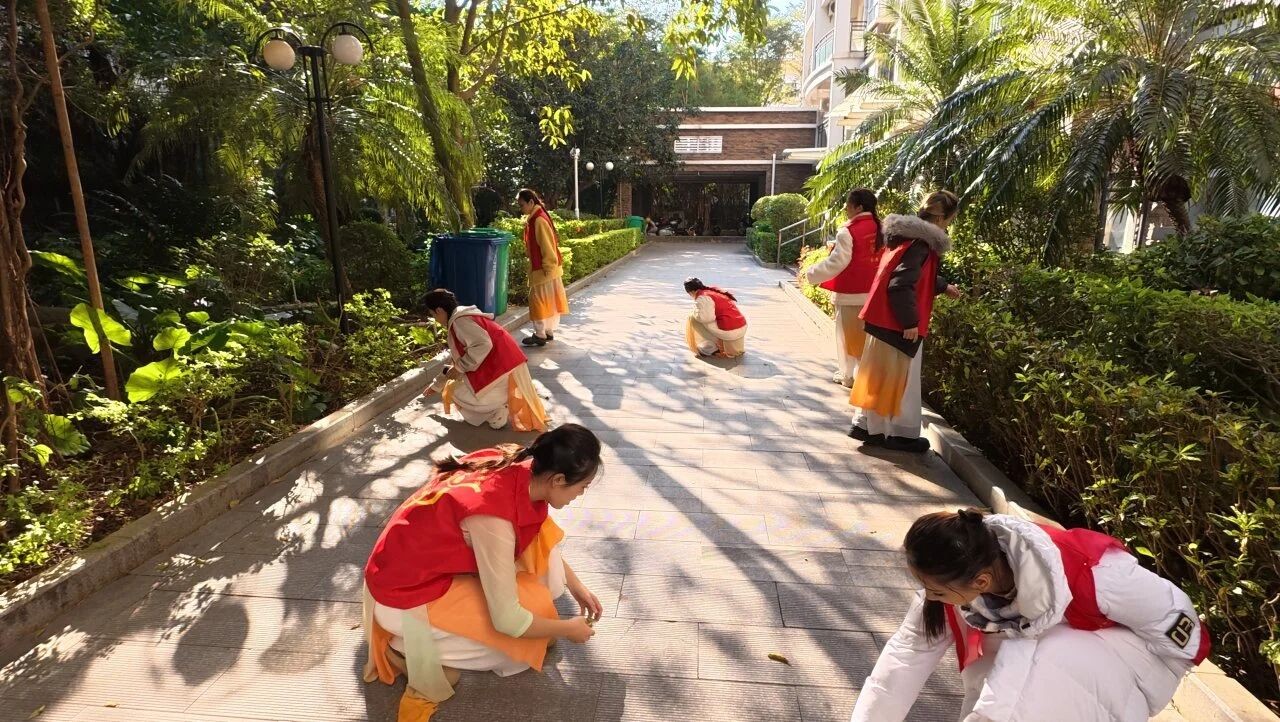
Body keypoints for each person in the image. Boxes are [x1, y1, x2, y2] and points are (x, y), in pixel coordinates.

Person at [851, 509, 1210, 722]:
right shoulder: (956, 578)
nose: (929, 597)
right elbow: (904, 658)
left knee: (1035, 659)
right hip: (1038, 666)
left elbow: (1177, 619)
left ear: (982, 581)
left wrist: (1145, 687)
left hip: (1126, 660)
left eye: (937, 591)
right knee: (1005, 677)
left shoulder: (1092, 572)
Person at [362, 425, 605, 721]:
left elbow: (541, 538)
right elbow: (508, 620)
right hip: (405, 597)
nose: (581, 494)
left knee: (539, 631)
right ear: (558, 480)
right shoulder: (493, 518)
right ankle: (400, 647)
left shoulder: (515, 461)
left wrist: (578, 588)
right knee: (521, 651)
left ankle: (433, 643)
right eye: (583, 486)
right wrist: (567, 629)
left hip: (422, 572)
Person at [849, 190, 963, 452]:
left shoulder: (906, 238)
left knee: (878, 375)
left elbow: (912, 275)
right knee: (901, 380)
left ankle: (868, 426)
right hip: (897, 323)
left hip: (883, 319)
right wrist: (910, 322)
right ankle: (897, 434)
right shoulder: (922, 244)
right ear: (943, 218)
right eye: (951, 219)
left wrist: (943, 286)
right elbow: (901, 283)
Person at [421, 289, 548, 432]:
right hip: (509, 363)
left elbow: (483, 345)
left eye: (433, 314)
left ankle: (498, 409)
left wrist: (459, 368)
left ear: (439, 310)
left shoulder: (460, 321)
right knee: (454, 385)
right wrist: (437, 384)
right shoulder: (462, 316)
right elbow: (456, 360)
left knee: (455, 390)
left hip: (505, 366)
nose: (435, 319)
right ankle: (502, 403)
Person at [803, 188, 885, 387]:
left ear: (858, 207)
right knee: (869, 340)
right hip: (877, 294)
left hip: (851, 295)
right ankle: (866, 377)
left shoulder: (848, 231)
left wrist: (811, 273)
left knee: (848, 338)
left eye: (848, 205)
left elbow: (837, 262)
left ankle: (848, 376)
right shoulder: (883, 228)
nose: (846, 209)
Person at [517, 189, 568, 347]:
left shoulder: (538, 220)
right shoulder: (538, 217)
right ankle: (548, 331)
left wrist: (548, 266)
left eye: (522, 205)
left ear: (531, 202)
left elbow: (546, 245)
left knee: (537, 301)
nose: (521, 208)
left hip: (544, 268)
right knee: (549, 301)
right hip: (548, 268)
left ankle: (540, 334)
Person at [683, 277, 747, 358]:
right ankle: (718, 344)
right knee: (698, 316)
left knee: (693, 318)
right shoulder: (712, 290)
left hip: (730, 330)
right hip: (740, 324)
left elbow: (705, 318)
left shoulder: (702, 297)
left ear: (691, 292)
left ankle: (717, 347)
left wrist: (695, 312)